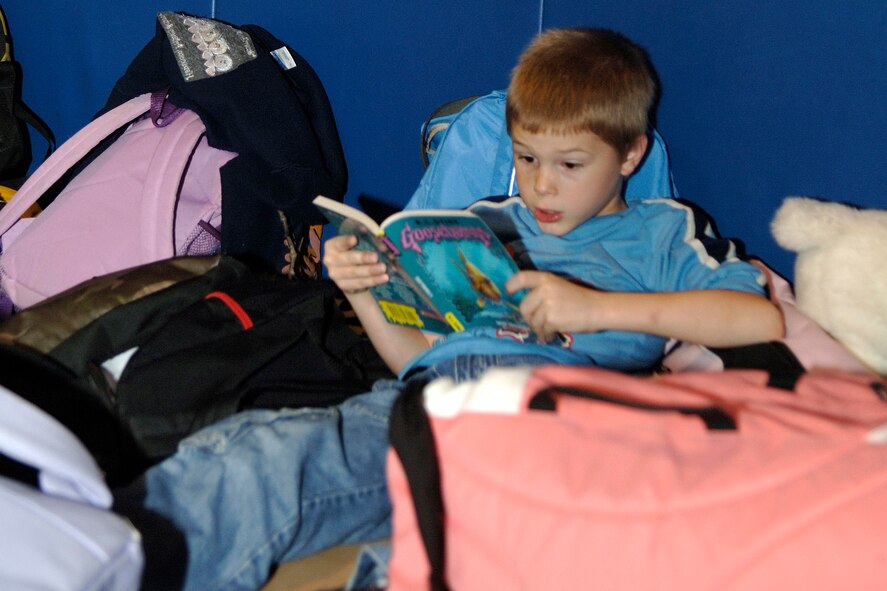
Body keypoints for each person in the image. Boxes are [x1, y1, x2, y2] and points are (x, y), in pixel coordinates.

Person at [115, 27, 783, 591]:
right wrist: (364, 292)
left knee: (435, 559)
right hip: (423, 413)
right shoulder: (480, 223)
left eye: (570, 164)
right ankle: (86, 562)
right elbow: (416, 361)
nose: (542, 184)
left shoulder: (661, 230)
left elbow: (757, 319)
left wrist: (594, 310)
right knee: (247, 459)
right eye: (525, 158)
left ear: (630, 154)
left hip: (550, 430)